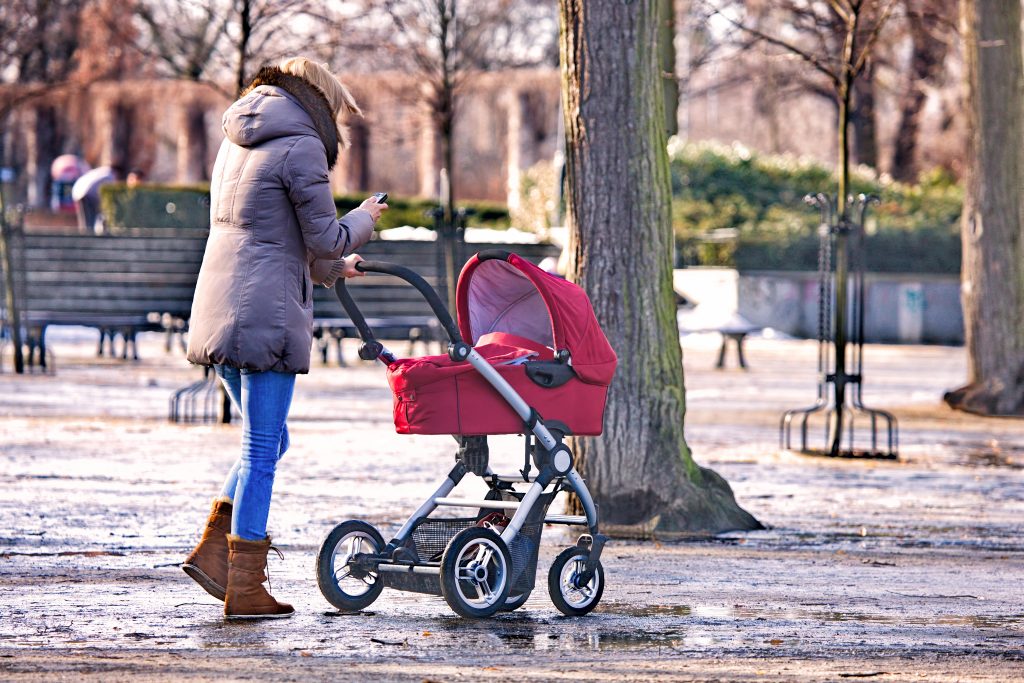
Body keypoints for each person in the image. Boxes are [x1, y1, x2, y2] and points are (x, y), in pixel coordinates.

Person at [182, 57, 388, 620]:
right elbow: (323, 235)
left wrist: (333, 269)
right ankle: (244, 586)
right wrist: (366, 218)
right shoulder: (300, 145)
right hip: (265, 313)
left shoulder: (237, 140)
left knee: (268, 441)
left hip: (223, 305)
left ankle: (214, 555)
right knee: (261, 448)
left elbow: (271, 236)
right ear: (319, 100)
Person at [71, 164, 121, 233]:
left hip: (78, 191)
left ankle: (84, 234)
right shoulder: (110, 175)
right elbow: (106, 192)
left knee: (85, 218)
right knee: (89, 218)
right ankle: (88, 236)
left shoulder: (103, 171)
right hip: (85, 193)